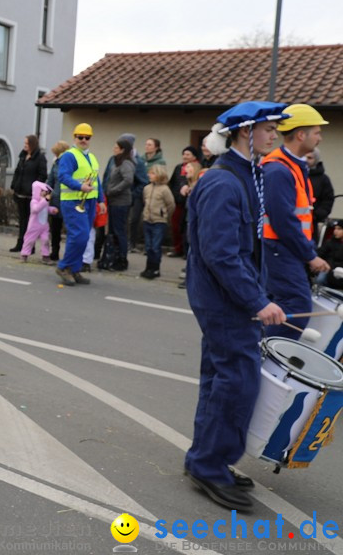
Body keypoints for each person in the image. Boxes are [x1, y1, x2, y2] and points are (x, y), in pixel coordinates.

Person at [183, 101, 289, 512]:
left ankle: (207, 460)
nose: (274, 133)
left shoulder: (248, 175)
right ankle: (210, 466)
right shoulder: (225, 183)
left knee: (222, 379)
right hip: (224, 301)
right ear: (246, 131)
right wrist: (257, 301)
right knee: (236, 382)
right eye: (268, 128)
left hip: (229, 298)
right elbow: (222, 254)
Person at [261, 103, 330, 339]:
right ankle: (264, 356)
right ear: (301, 134)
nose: (320, 137)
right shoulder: (279, 170)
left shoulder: (292, 166)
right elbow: (284, 221)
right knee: (296, 306)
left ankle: (257, 355)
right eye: (317, 132)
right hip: (279, 248)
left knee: (281, 307)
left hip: (283, 249)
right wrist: (310, 255)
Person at [54, 123, 99, 285]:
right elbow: (63, 176)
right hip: (73, 201)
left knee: (84, 237)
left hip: (89, 201)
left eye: (87, 137)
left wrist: (101, 200)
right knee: (78, 236)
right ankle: (64, 267)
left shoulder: (92, 157)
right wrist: (80, 186)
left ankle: (74, 269)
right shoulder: (69, 155)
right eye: (80, 137)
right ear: (75, 138)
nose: (84, 140)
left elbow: (96, 180)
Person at [9, 135, 47, 252]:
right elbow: (17, 172)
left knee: (31, 222)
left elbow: (42, 175)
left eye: (27, 143)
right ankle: (21, 243)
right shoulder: (23, 156)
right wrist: (14, 185)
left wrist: (36, 189)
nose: (25, 145)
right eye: (24, 143)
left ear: (32, 144)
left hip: (31, 195)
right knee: (22, 220)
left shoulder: (40, 158)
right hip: (20, 193)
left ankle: (30, 245)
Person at [104, 138, 135, 271]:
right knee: (113, 231)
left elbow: (128, 180)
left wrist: (113, 190)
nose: (114, 149)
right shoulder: (117, 162)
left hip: (120, 202)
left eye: (116, 147)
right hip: (113, 201)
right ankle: (112, 257)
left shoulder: (126, 164)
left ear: (122, 149)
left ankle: (122, 259)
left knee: (119, 231)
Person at [140, 164, 175, 279]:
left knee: (155, 246)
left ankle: (155, 268)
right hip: (147, 220)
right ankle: (148, 267)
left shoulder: (165, 189)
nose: (149, 175)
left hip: (159, 221)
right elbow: (145, 201)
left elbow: (171, 205)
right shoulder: (147, 188)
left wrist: (165, 216)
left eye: (152, 173)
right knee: (149, 246)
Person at [168, 146, 200, 257]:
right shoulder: (178, 168)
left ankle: (187, 252)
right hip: (178, 200)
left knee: (187, 228)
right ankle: (178, 248)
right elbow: (172, 183)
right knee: (177, 226)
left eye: (188, 154)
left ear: (194, 157)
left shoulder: (197, 170)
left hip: (187, 203)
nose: (185, 157)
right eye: (184, 154)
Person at [19, 181, 53, 263]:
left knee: (45, 240)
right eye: (44, 191)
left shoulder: (45, 201)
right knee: (30, 239)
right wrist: (45, 201)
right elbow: (36, 209)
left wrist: (52, 210)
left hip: (44, 225)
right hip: (34, 225)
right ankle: (24, 254)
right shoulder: (34, 201)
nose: (46, 193)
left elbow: (46, 209)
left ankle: (45, 255)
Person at [306, 147, 334, 243]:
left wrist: (316, 215)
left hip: (313, 223)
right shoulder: (296, 174)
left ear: (316, 160)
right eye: (304, 157)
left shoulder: (323, 179)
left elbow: (328, 199)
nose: (306, 160)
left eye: (310, 158)